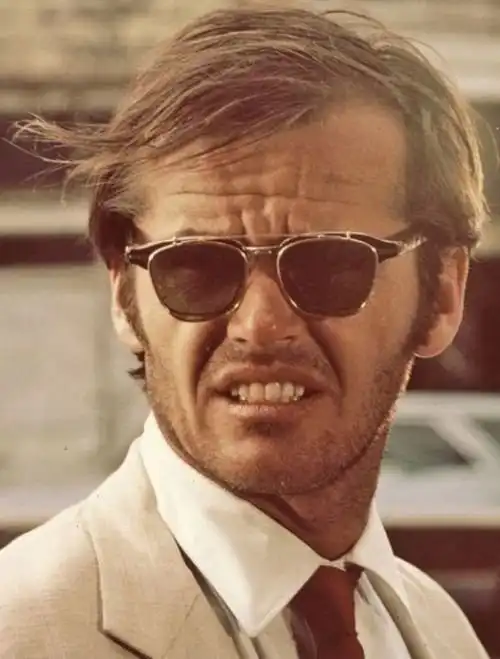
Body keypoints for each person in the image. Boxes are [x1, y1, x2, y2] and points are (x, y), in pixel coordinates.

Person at [0, 6, 490, 659]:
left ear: (443, 294)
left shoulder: (441, 633)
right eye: (196, 267)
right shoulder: (23, 631)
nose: (260, 325)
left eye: (328, 265)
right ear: (123, 294)